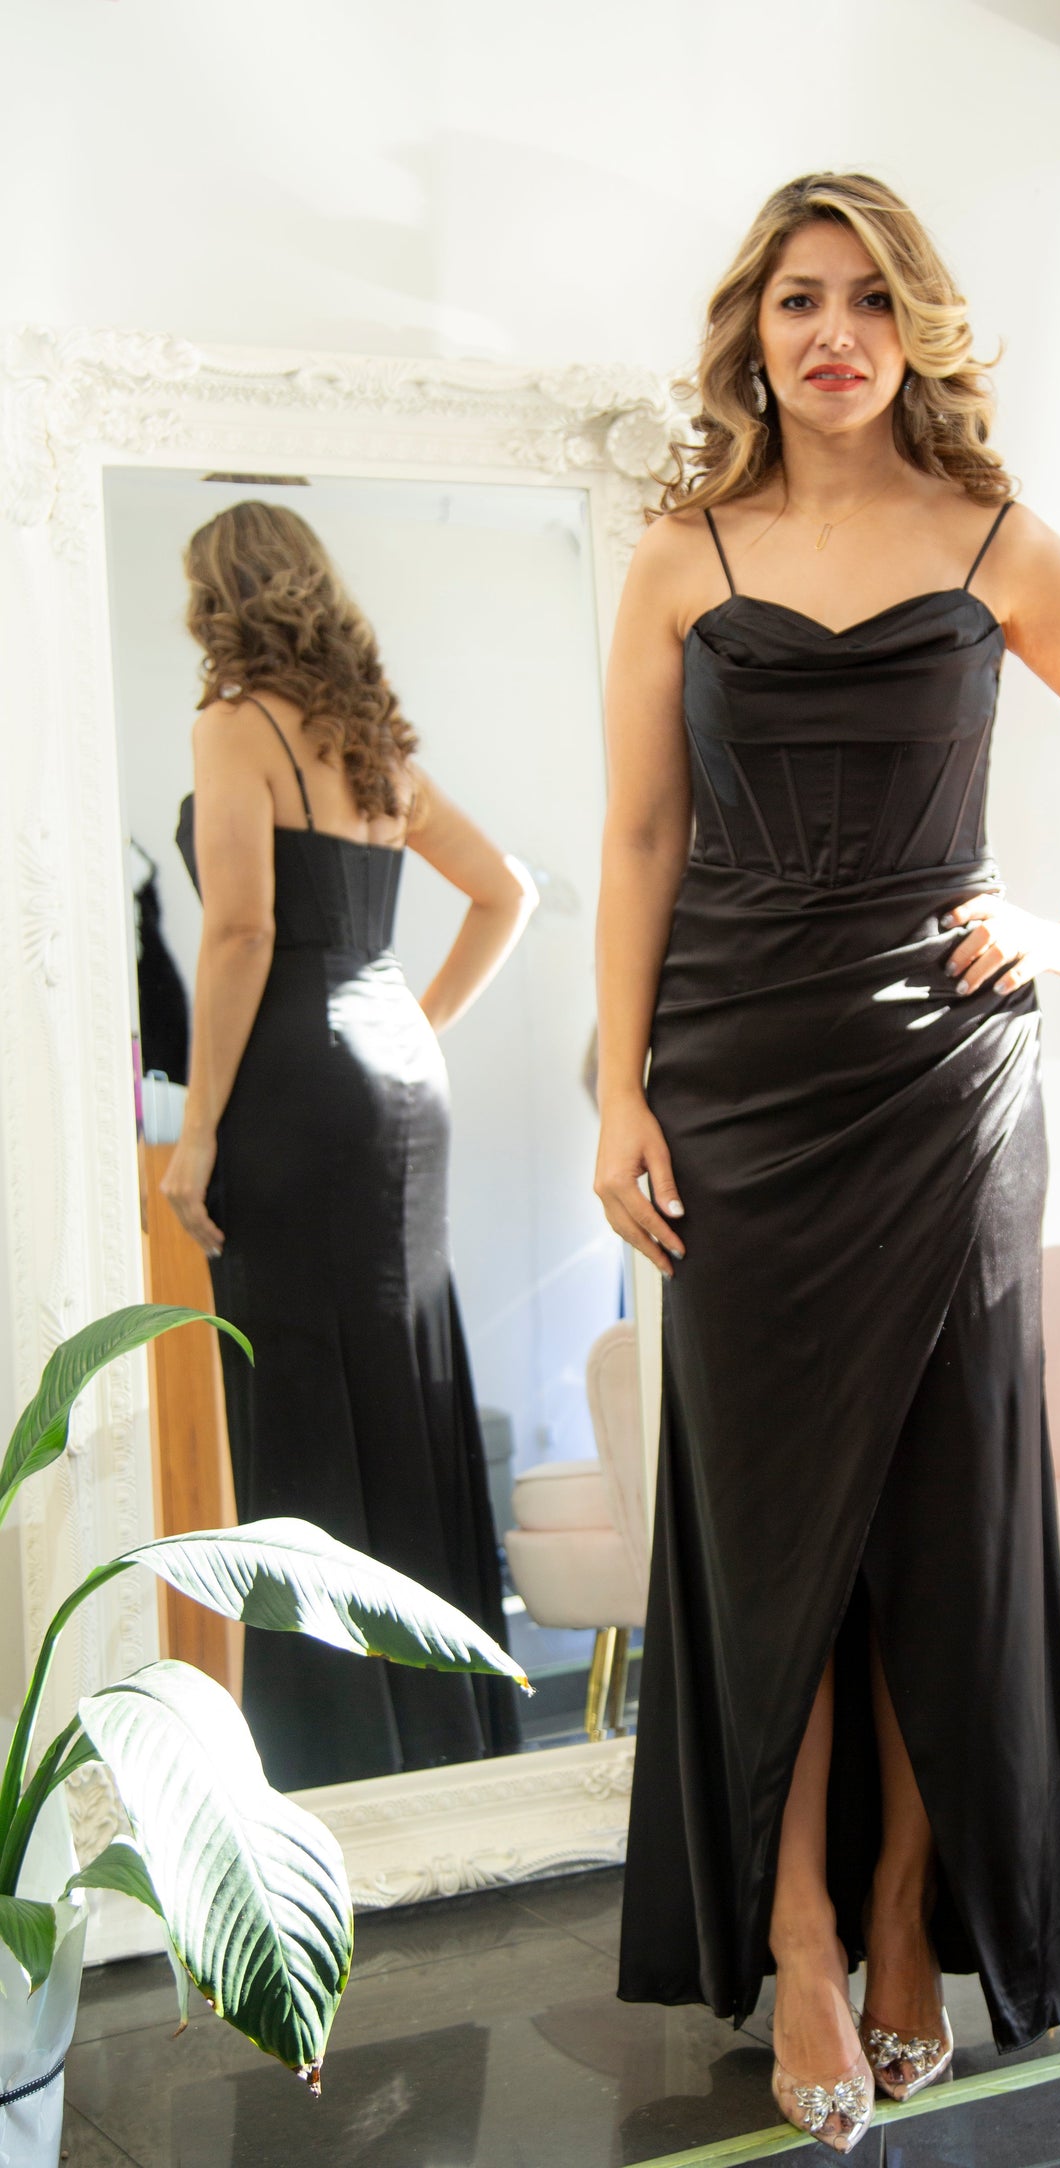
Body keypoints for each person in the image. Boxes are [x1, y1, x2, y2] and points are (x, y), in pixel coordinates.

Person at [593, 173, 1060, 2153]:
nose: (831, 331)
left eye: (865, 299)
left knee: (941, 1520)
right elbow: (634, 845)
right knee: (775, 1544)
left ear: (916, 327)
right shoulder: (682, 553)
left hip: (951, 1083)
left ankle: (908, 1910)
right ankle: (790, 1941)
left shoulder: (993, 536)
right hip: (739, 1092)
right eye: (797, 300)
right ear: (751, 332)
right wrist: (620, 1094)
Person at [162, 499, 536, 1792]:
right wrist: (413, 1022)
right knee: (398, 1382)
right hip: (397, 1087)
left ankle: (332, 1756)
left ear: (217, 599)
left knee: (304, 1392)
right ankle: (446, 1738)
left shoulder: (233, 723)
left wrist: (197, 1128)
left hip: (294, 1092)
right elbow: (508, 890)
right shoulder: (371, 738)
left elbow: (241, 935)